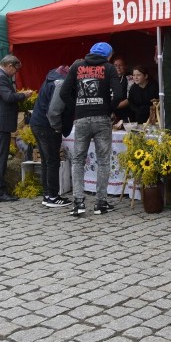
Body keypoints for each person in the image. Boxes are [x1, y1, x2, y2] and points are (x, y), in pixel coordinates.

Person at [61, 42, 122, 216]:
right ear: (108, 55)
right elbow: (118, 95)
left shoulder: (77, 66)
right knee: (103, 160)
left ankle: (78, 203)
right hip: (102, 119)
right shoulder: (109, 68)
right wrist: (107, 109)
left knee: (78, 160)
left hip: (81, 119)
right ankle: (100, 203)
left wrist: (78, 108)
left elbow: (64, 93)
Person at [0, 55, 33, 202]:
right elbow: (9, 97)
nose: (15, 73)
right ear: (10, 65)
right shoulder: (0, 77)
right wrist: (24, 95)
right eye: (15, 70)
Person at [30, 64, 72, 208]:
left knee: (46, 161)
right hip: (47, 126)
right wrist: (57, 128)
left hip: (37, 122)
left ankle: (48, 194)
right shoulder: (60, 83)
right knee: (53, 160)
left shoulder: (52, 77)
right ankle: (53, 196)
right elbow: (53, 111)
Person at [112, 56, 132, 123]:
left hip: (125, 113)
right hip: (111, 114)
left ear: (125, 66)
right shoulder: (110, 79)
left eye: (120, 65)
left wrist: (113, 107)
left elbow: (130, 98)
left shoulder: (130, 78)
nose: (118, 67)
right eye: (115, 65)